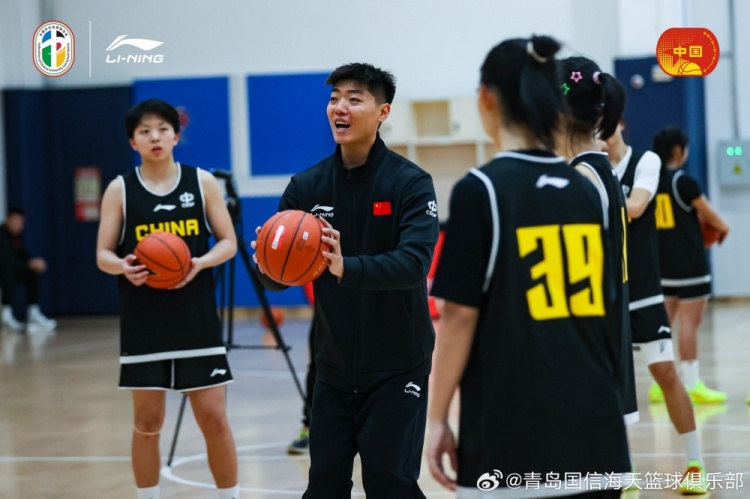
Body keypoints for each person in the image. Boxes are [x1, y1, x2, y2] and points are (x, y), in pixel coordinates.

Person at [427, 36, 629, 498]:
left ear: (486, 98)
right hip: (600, 435)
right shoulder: (584, 189)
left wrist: (436, 419)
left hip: (516, 440)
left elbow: (457, 317)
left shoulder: (481, 189)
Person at [253, 63, 439, 498]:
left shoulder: (410, 183)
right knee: (323, 485)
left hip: (397, 366)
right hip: (333, 367)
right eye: (334, 98)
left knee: (390, 482)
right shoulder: (306, 186)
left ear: (382, 112)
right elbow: (277, 282)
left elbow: (414, 264)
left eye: (354, 99)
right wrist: (268, 264)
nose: (340, 107)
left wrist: (344, 266)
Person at [96, 99, 240, 499]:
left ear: (176, 136)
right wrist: (123, 266)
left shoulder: (202, 182)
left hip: (196, 318)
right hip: (144, 320)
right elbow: (103, 255)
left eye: (162, 129)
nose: (155, 137)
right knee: (147, 423)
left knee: (214, 418)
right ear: (133, 142)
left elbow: (228, 242)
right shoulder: (120, 189)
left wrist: (200, 262)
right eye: (144, 131)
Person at [556, 56, 638, 428]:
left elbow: (576, 282)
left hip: (589, 354)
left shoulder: (580, 180)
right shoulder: (602, 170)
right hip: (607, 341)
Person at [652, 126, 730, 404]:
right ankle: (692, 382)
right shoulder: (683, 182)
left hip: (663, 265)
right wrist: (721, 229)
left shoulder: (650, 181)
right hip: (690, 265)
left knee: (664, 325)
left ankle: (660, 385)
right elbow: (715, 219)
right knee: (689, 324)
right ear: (678, 150)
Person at [0, 207, 57, 332]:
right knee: (7, 271)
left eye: (21, 222)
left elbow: (23, 254)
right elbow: (5, 260)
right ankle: (6, 313)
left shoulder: (17, 237)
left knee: (32, 272)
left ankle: (33, 312)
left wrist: (34, 262)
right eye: (15, 221)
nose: (18, 225)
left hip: (13, 269)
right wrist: (28, 264)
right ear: (8, 220)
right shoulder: (2, 236)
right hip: (4, 271)